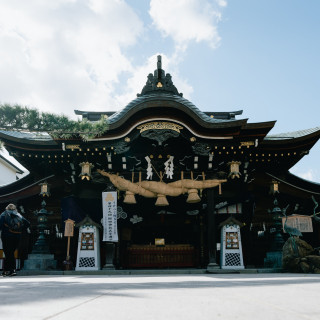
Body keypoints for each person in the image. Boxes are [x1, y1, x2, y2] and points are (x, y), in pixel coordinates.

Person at [0, 204, 30, 276]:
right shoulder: (18, 214)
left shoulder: (3, 214)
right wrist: (20, 229)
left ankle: (12, 270)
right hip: (17, 236)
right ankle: (6, 270)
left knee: (8, 253)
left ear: (7, 208)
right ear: (14, 208)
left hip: (6, 236)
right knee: (11, 253)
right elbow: (27, 224)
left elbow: (0, 225)